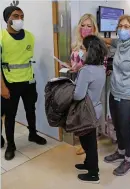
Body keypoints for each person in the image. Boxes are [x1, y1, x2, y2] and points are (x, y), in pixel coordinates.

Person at [0, 6, 46, 161]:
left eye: (22, 16)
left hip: (28, 81)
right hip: (9, 82)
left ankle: (33, 134)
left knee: (30, 110)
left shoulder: (30, 37)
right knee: (10, 116)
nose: (19, 19)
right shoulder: (1, 37)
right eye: (15, 16)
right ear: (7, 18)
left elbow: (26, 59)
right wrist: (2, 87)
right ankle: (11, 145)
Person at [103, 15, 130, 176]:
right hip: (114, 93)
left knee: (127, 130)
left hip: (128, 96)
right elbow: (108, 41)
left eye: (126, 27)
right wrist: (91, 33)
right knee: (117, 127)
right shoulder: (120, 43)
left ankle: (129, 159)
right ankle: (120, 152)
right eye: (120, 26)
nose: (122, 29)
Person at [73, 35, 108, 184]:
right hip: (96, 108)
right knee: (88, 138)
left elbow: (78, 95)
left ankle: (94, 174)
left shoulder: (86, 71)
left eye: (84, 49)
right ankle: (88, 163)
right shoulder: (101, 68)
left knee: (89, 143)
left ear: (89, 51)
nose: (82, 52)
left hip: (86, 110)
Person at [70, 13, 100, 156]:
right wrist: (74, 68)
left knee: (90, 115)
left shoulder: (97, 46)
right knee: (80, 114)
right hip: (78, 82)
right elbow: (74, 63)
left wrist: (83, 68)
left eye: (89, 26)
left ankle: (90, 146)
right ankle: (84, 143)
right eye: (83, 25)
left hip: (92, 87)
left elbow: (101, 68)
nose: (85, 28)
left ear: (94, 28)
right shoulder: (76, 45)